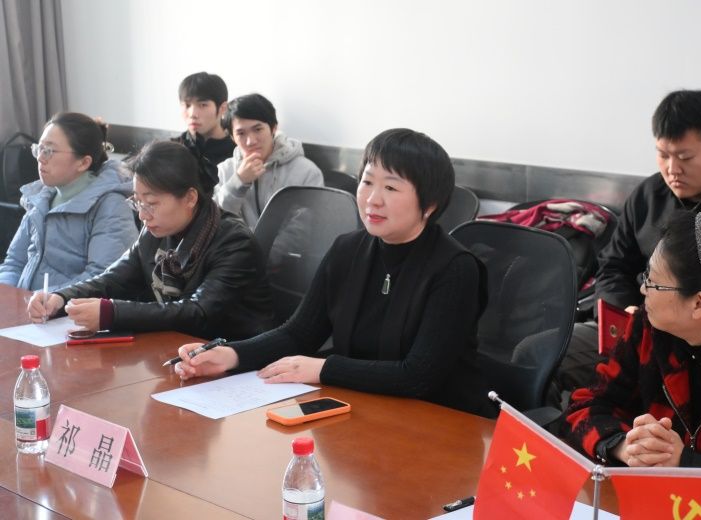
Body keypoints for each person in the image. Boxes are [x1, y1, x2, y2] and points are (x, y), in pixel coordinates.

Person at [176, 128, 495, 417]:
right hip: (363, 409)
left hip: (442, 420)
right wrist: (230, 355)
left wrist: (323, 369)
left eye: (391, 187)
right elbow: (298, 334)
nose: (373, 199)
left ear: (430, 204)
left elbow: (418, 376)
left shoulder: (455, 268)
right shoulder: (348, 249)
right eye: (367, 182)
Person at [554, 90, 701, 403]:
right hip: (636, 330)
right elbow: (614, 266)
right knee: (543, 355)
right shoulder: (647, 196)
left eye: (685, 157)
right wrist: (625, 308)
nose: (672, 169)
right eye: (663, 154)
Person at [562, 210, 701, 512]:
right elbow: (586, 404)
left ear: (699, 303)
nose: (642, 289)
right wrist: (625, 445)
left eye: (652, 281)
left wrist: (690, 465)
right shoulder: (650, 326)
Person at [27, 140, 275, 341]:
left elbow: (199, 312)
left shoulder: (234, 242)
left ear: (190, 198)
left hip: (236, 361)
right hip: (177, 350)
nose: (143, 215)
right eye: (138, 202)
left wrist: (113, 313)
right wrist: (61, 297)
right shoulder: (155, 232)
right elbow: (114, 279)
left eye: (152, 203)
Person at [0, 112, 137, 291]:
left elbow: (102, 278)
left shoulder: (111, 206)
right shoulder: (41, 197)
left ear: (83, 163)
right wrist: (6, 294)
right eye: (40, 148)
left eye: (49, 151)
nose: (40, 158)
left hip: (66, 306)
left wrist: (42, 299)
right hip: (27, 304)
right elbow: (14, 263)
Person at [214, 93, 323, 228]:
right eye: (241, 133)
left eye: (258, 129)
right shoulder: (224, 171)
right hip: (235, 242)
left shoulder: (306, 172)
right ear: (232, 137)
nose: (251, 141)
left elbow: (305, 228)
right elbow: (214, 222)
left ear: (274, 128)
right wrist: (238, 182)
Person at [173, 72, 235, 167]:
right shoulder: (171, 150)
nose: (193, 114)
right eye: (187, 105)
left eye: (203, 105)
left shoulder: (238, 153)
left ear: (222, 108)